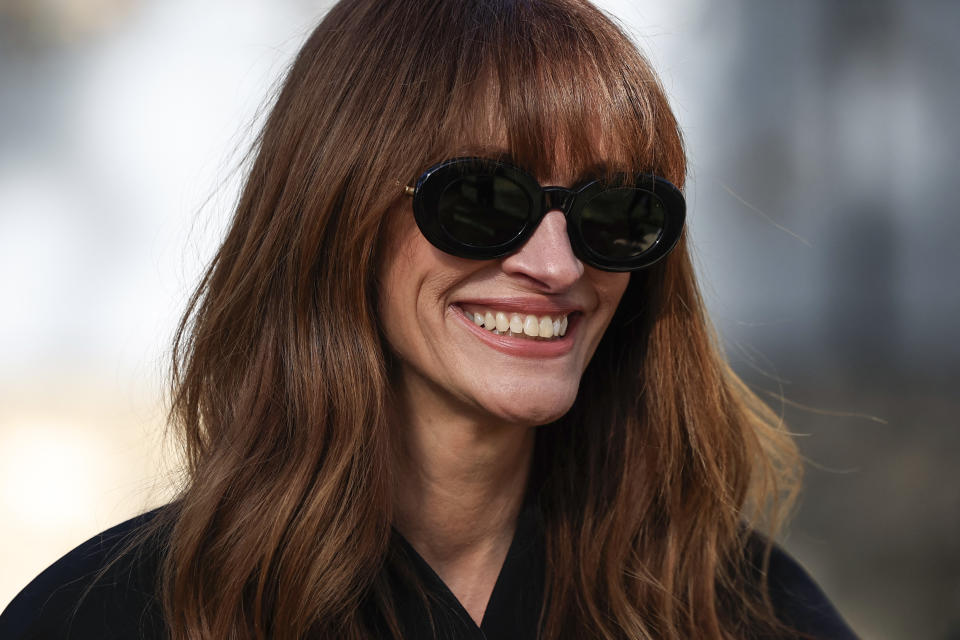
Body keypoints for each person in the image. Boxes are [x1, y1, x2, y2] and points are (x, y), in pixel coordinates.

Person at [0, 0, 859, 638]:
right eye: (482, 201)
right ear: (335, 219)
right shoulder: (107, 617)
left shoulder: (738, 612)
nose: (557, 266)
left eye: (614, 211)